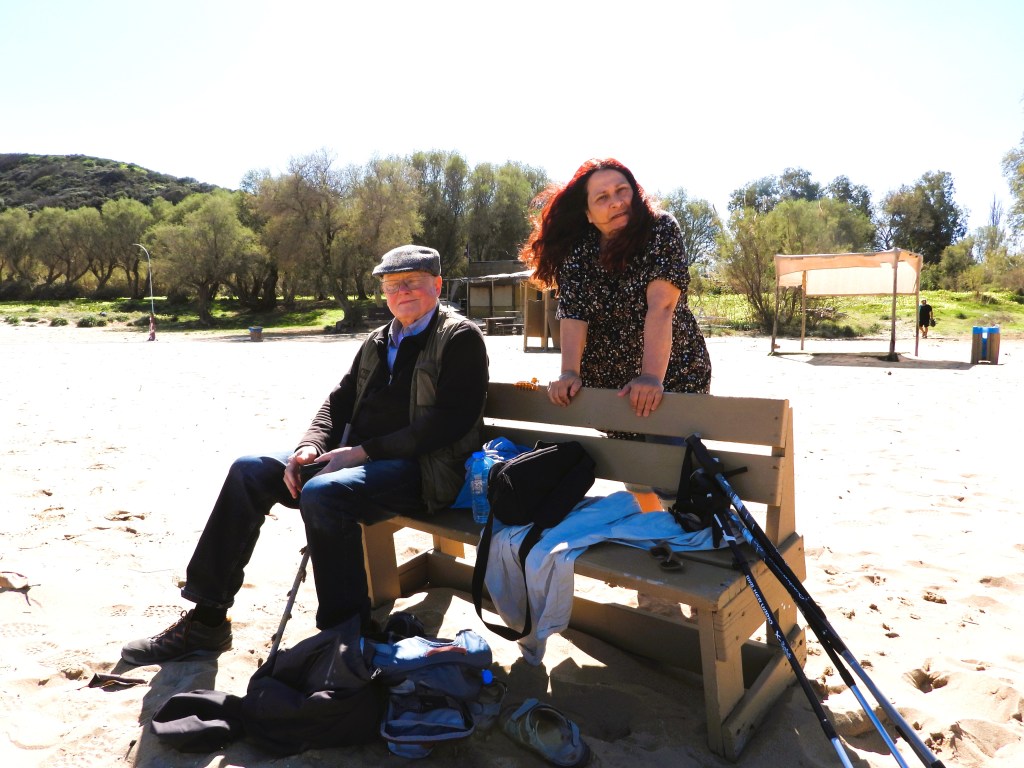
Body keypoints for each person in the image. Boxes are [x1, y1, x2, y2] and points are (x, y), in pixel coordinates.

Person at [121, 245, 489, 665]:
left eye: (412, 282)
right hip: (356, 459)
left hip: (424, 470)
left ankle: (346, 636)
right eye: (392, 285)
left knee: (325, 494)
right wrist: (309, 445)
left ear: (437, 285)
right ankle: (206, 621)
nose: (402, 292)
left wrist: (362, 453)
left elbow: (449, 422)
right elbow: (339, 402)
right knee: (250, 471)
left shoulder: (458, 337)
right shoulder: (378, 340)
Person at [519, 158, 711, 420]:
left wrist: (651, 377)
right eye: (602, 197)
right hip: (610, 390)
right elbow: (574, 314)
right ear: (587, 213)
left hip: (672, 380)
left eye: (622, 191)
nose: (616, 202)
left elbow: (663, 306)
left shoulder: (660, 229)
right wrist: (568, 374)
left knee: (664, 456)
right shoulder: (580, 249)